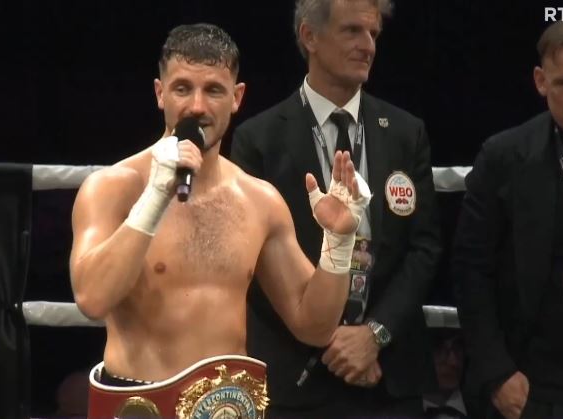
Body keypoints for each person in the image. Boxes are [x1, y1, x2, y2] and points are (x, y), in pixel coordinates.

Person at [70, 22, 370, 405]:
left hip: (229, 407)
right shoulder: (112, 188)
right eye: (182, 88)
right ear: (160, 93)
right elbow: (92, 299)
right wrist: (154, 199)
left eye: (213, 90)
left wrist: (339, 242)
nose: (197, 106)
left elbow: (314, 327)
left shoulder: (259, 201)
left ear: (236, 97)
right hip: (139, 405)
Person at [230, 0, 441, 417]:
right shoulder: (259, 139)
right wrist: (326, 335)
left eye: (374, 34)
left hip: (388, 377)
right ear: (310, 36)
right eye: (352, 31)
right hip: (297, 377)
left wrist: (374, 335)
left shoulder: (405, 132)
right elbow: (250, 261)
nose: (368, 46)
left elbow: (425, 247)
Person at [452, 20, 563, 419]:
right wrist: (496, 373)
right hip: (537, 388)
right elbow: (470, 270)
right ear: (541, 81)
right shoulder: (504, 157)